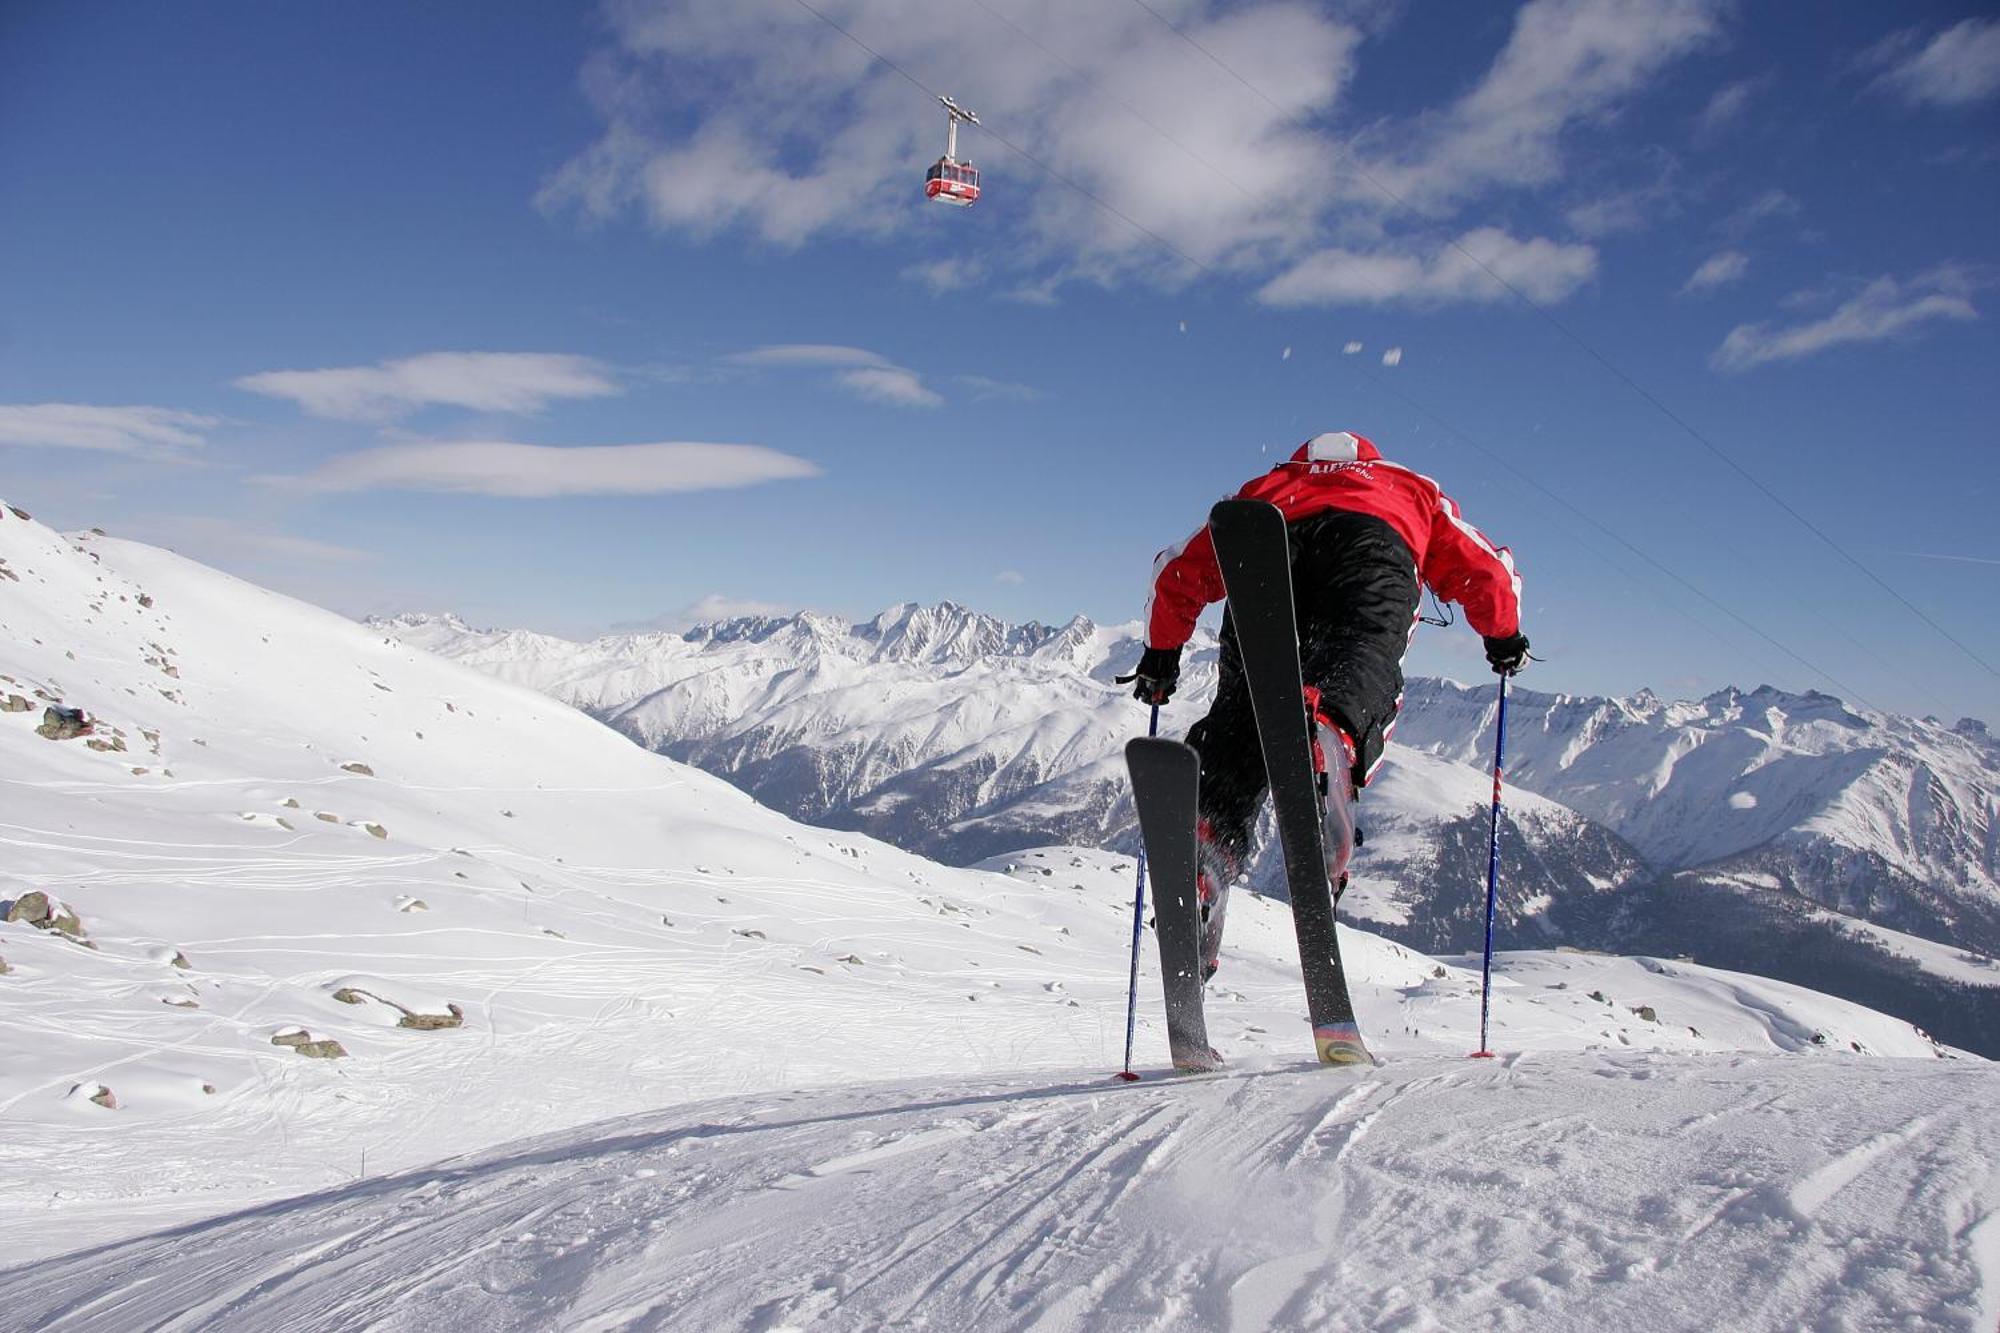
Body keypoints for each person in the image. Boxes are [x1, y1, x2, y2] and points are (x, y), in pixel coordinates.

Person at [1127, 430, 1528, 977]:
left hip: (1267, 553)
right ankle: (1331, 741)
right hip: (1372, 553)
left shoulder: (1266, 487)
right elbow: (1486, 569)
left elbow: (1178, 572)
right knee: (1357, 663)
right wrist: (1503, 637)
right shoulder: (1410, 487)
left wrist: (1160, 656)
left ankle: (1207, 842)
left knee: (1242, 717)